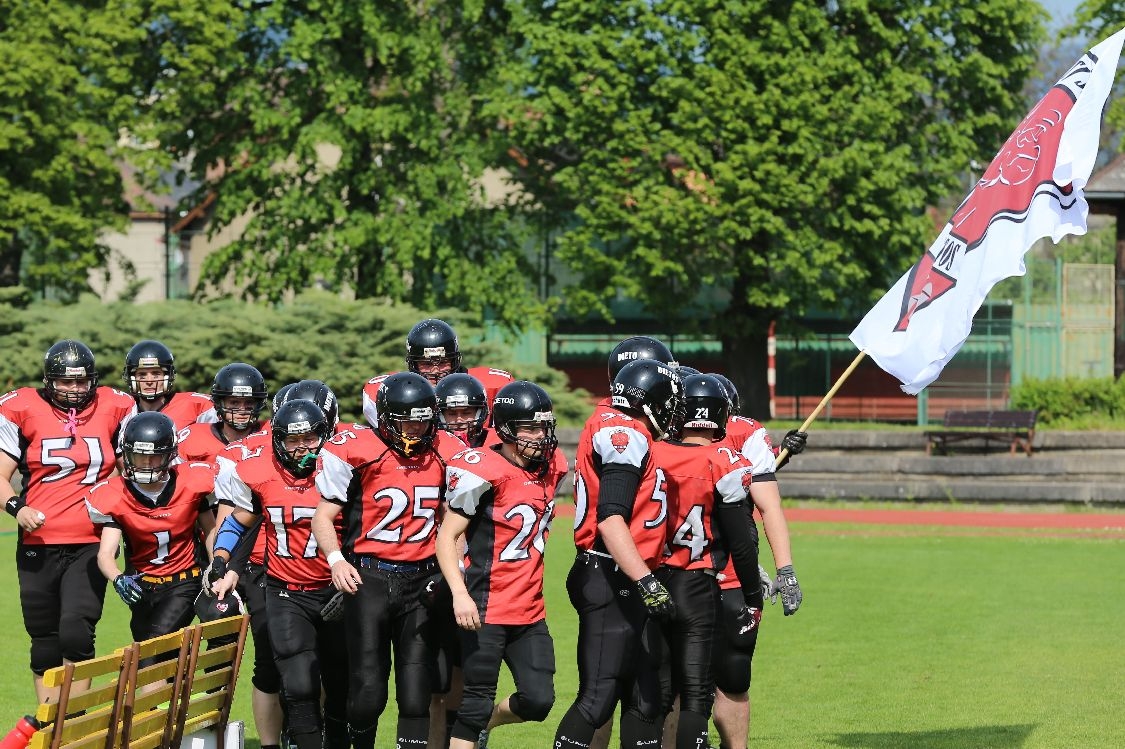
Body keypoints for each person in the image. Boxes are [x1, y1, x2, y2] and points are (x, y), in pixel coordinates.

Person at [554, 358, 685, 749]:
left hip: (622, 575)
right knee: (597, 698)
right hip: (612, 574)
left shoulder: (618, 422)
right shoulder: (625, 434)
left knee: (647, 696)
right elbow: (611, 520)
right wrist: (645, 580)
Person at [312, 372, 447, 749]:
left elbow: (458, 518)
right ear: (385, 418)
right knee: (369, 690)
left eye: (422, 419)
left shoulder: (444, 449)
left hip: (422, 580)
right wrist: (337, 560)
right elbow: (323, 516)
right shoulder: (358, 449)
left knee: (416, 689)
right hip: (369, 578)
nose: (416, 428)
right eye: (406, 420)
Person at [207, 399, 349, 749]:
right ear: (278, 441)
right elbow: (238, 522)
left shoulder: (344, 472)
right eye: (293, 440)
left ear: (324, 436)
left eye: (310, 437)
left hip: (336, 591)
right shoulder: (262, 474)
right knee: (298, 684)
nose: (302, 447)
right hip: (286, 592)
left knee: (341, 684)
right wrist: (222, 559)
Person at [0, 340, 136, 703]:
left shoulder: (115, 406)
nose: (75, 390)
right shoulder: (21, 407)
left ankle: (71, 723)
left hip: (91, 539)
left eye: (82, 381)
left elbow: (132, 474)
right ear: (49, 381)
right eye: (65, 382)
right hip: (37, 541)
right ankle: (49, 727)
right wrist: (16, 507)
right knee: (43, 638)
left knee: (76, 631)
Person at [438, 381, 567, 749]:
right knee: (474, 703)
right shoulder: (484, 469)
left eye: (544, 426)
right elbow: (447, 537)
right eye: (529, 428)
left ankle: (487, 725)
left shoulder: (552, 465)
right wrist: (459, 595)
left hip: (530, 610)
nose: (540, 436)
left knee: (539, 700)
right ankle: (475, 726)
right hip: (485, 606)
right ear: (507, 428)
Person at [650, 375, 764, 749]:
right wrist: (753, 596)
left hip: (653, 579)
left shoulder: (652, 453)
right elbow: (743, 541)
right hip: (699, 581)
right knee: (696, 695)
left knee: (659, 692)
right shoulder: (723, 459)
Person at [708, 374, 803, 749]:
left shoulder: (659, 433)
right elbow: (765, 501)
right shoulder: (743, 431)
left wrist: (783, 453)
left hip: (682, 571)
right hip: (721, 571)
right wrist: (786, 569)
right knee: (712, 680)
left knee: (699, 680)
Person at [86, 412, 216, 653]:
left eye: (154, 457)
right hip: (142, 586)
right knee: (160, 653)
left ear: (169, 455)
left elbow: (211, 529)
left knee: (150, 651)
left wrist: (217, 563)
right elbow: (106, 554)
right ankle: (176, 686)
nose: (146, 463)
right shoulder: (113, 495)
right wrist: (117, 578)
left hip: (184, 582)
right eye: (138, 456)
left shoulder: (192, 481)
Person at [361, 318, 513, 429]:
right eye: (426, 364)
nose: (435, 371)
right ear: (413, 364)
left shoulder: (493, 384)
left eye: (442, 362)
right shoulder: (392, 389)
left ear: (455, 361)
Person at [177, 362, 269, 463]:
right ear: (218, 403)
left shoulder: (269, 434)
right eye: (234, 402)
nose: (242, 409)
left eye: (249, 402)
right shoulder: (193, 437)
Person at [122, 339, 215, 430]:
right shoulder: (123, 411)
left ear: (167, 376)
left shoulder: (195, 405)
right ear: (132, 378)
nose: (149, 381)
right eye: (142, 375)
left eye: (156, 374)